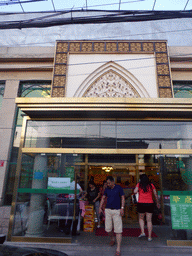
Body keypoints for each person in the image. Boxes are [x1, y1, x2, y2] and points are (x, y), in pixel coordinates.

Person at [99, 176, 125, 256]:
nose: (108, 184)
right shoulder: (107, 189)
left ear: (113, 181)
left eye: (109, 183)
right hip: (108, 210)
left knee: (118, 230)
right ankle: (112, 238)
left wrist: (122, 208)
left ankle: (118, 248)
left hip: (117, 211)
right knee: (108, 229)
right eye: (107, 183)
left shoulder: (119, 188)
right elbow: (103, 198)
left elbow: (123, 198)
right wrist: (100, 207)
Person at [133, 174, 160, 242]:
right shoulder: (151, 185)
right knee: (149, 220)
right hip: (150, 203)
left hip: (141, 203)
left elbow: (134, 191)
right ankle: (150, 237)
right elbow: (155, 194)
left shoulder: (139, 184)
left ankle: (143, 232)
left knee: (141, 218)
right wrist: (157, 203)